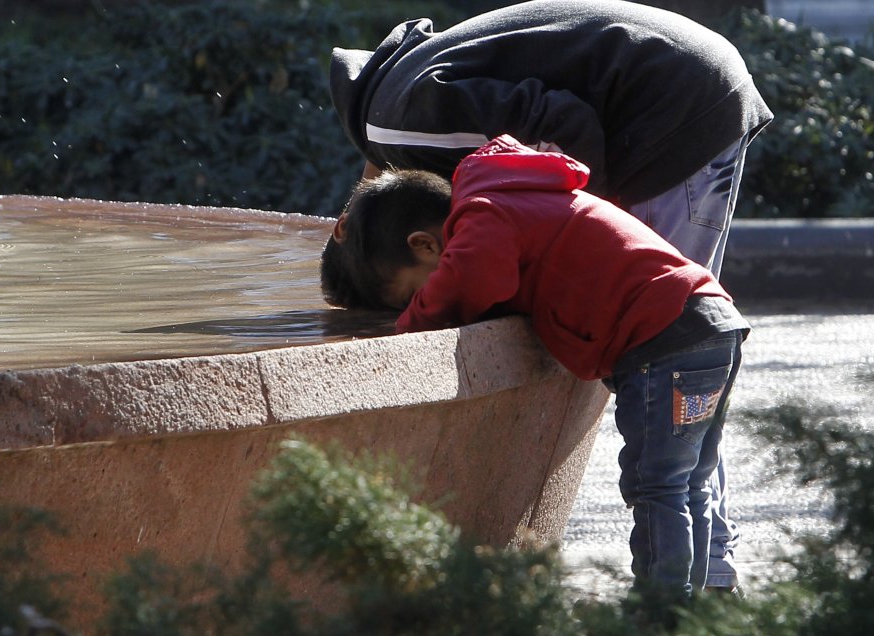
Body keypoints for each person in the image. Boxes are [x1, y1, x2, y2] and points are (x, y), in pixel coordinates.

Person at [324, 0, 771, 590]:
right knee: (679, 441)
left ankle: (693, 590)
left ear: (418, 245)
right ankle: (706, 578)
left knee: (664, 447)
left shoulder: (398, 120)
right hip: (697, 90)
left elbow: (567, 138)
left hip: (677, 107)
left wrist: (580, 249)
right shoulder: (423, 98)